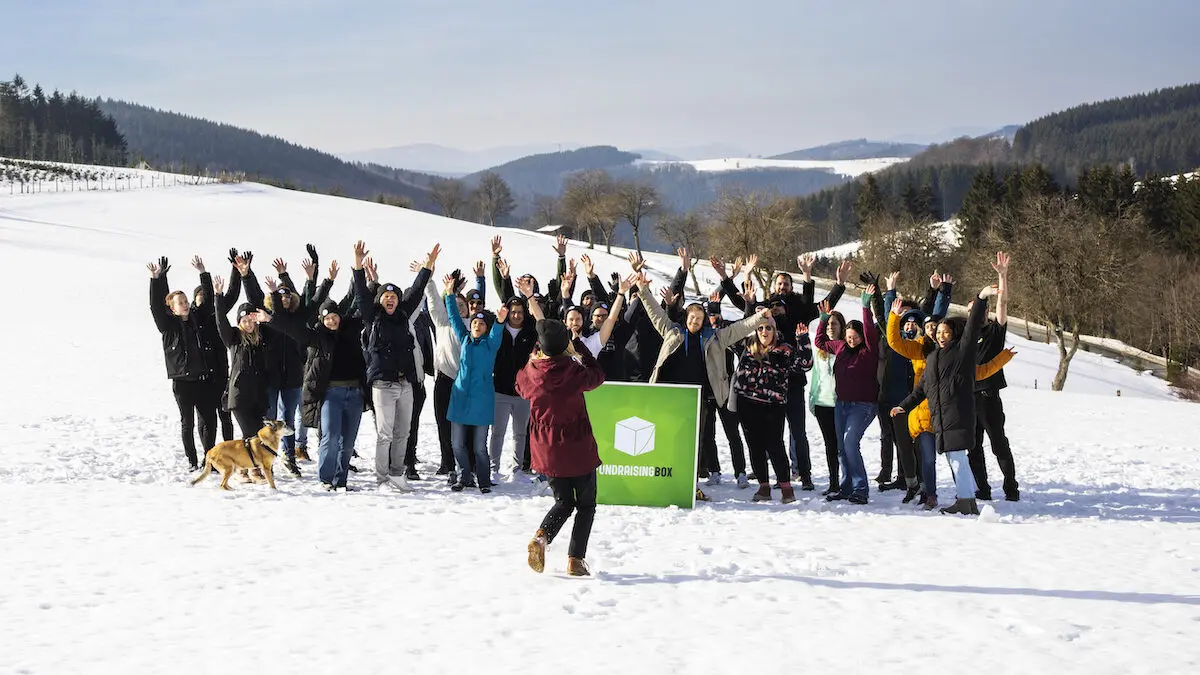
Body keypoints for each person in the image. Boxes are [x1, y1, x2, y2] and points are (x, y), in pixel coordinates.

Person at [716, 254, 850, 490]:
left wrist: (837, 284)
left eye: (786, 284)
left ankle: (805, 475)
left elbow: (822, 305)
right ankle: (777, 476)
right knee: (771, 434)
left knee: (798, 432)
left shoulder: (798, 313)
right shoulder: (764, 316)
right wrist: (728, 278)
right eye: (779, 284)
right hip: (768, 386)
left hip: (794, 382)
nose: (782, 288)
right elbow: (744, 307)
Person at [892, 255, 1011, 515]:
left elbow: (971, 330)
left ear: (954, 335)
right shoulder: (932, 358)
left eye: (947, 332)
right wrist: (903, 407)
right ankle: (966, 499)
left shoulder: (962, 352)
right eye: (939, 332)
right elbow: (922, 389)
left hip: (957, 415)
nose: (942, 335)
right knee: (955, 459)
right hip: (941, 418)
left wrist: (981, 297)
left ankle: (967, 502)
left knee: (958, 459)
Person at [636, 268, 770, 495]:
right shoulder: (673, 332)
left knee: (694, 443)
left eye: (699, 319)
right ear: (686, 318)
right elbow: (655, 313)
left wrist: (759, 318)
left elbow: (739, 329)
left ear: (703, 320)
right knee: (667, 437)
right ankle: (664, 477)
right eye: (692, 318)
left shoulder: (715, 338)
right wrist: (643, 290)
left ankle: (689, 484)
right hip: (671, 395)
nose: (695, 322)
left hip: (696, 398)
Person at [256, 286, 368, 492]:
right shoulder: (316, 338)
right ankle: (326, 480)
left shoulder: (351, 331)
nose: (331, 321)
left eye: (334, 316)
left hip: (355, 394)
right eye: (327, 318)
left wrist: (362, 276)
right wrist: (270, 319)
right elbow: (292, 329)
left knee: (348, 441)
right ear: (321, 320)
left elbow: (360, 300)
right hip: (331, 395)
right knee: (331, 436)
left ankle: (341, 480)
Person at [518, 319, 606, 577]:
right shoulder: (573, 370)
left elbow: (519, 384)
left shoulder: (532, 372)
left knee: (564, 501)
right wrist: (580, 347)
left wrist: (532, 357)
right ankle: (575, 560)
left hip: (547, 450)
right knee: (586, 504)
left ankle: (542, 537)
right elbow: (598, 376)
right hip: (578, 448)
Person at [351, 240, 437, 492]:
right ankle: (381, 479)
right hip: (383, 384)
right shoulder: (372, 317)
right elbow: (360, 293)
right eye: (386, 296)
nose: (391, 299)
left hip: (405, 383)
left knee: (403, 432)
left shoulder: (403, 314)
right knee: (384, 433)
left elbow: (418, 289)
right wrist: (357, 265)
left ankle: (397, 474)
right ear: (380, 300)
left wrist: (428, 266)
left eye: (394, 296)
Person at [147, 255, 222, 470]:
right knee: (187, 423)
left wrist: (203, 272)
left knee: (208, 421)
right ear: (173, 308)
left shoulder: (199, 318)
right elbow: (156, 306)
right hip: (182, 382)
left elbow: (206, 299)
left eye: (186, 301)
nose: (186, 305)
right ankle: (192, 460)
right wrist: (157, 279)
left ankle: (210, 459)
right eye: (180, 303)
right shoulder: (168, 326)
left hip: (204, 380)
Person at [730, 316, 814, 502]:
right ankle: (763, 487)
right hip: (747, 403)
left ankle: (786, 488)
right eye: (760, 328)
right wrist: (714, 310)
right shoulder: (746, 345)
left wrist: (803, 341)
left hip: (773, 405)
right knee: (755, 446)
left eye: (768, 328)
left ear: (774, 330)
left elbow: (805, 365)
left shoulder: (785, 349)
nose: (764, 332)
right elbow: (724, 333)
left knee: (775, 445)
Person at [814, 288, 881, 505]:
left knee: (850, 442)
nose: (852, 340)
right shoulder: (841, 347)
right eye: (849, 337)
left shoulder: (869, 351)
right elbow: (820, 342)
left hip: (863, 405)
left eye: (856, 337)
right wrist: (823, 320)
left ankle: (861, 489)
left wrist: (865, 308)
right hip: (841, 404)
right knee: (842, 448)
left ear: (862, 337)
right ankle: (846, 487)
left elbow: (871, 331)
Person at [445, 292, 507, 493]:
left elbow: (497, 332)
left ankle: (484, 481)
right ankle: (464, 476)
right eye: (474, 324)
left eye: (481, 325)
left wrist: (499, 320)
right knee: (457, 445)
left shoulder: (490, 344)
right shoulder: (464, 340)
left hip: (481, 402)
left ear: (486, 328)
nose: (477, 327)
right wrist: (448, 295)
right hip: (460, 399)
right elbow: (454, 318)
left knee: (480, 447)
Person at [970, 252, 1020, 501]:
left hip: (989, 396)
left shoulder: (994, 332)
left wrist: (1003, 277)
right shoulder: (962, 338)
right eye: (971, 312)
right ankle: (982, 488)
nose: (975, 315)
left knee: (998, 443)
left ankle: (1011, 487)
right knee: (973, 447)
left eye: (978, 310)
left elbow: (1003, 304)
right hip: (968, 398)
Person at [703, 294, 751, 488]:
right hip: (706, 392)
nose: (713, 319)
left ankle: (740, 471)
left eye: (716, 314)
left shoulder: (727, 333)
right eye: (710, 315)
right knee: (708, 435)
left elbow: (746, 325)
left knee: (733, 433)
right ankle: (714, 470)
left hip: (726, 391)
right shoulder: (703, 335)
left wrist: (748, 302)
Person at [808, 308, 843, 495]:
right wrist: (812, 398)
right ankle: (833, 482)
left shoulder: (844, 347)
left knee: (843, 445)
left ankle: (847, 480)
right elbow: (816, 376)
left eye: (834, 324)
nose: (831, 327)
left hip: (840, 404)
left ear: (841, 327)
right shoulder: (820, 350)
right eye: (828, 324)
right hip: (823, 403)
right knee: (830, 444)